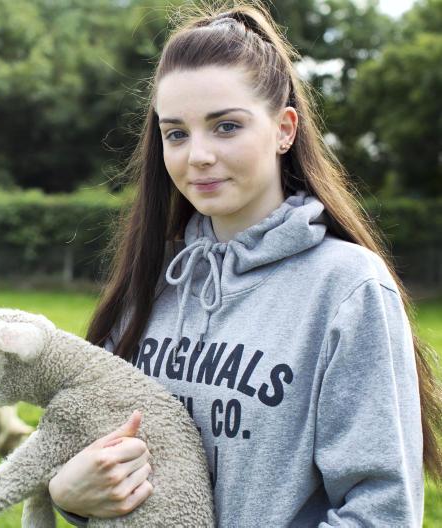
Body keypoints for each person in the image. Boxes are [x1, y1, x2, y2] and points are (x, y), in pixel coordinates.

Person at [47, 2, 442, 526]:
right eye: (176, 133)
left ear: (284, 129)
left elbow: (381, 513)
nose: (198, 155)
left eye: (226, 126)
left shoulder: (349, 288)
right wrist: (68, 495)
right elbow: (97, 456)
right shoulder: (153, 279)